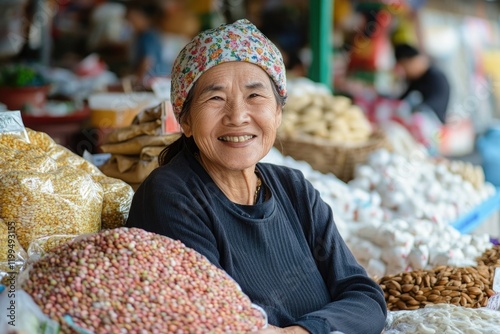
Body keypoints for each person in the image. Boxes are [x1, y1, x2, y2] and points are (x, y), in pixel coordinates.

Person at [126, 19, 387, 334]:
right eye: (215, 98)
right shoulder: (171, 196)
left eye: (254, 96)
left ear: (278, 113)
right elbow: (216, 319)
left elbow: (365, 297)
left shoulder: (294, 189)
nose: (237, 116)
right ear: (185, 120)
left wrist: (304, 331)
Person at [394, 43, 451, 124]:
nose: (405, 73)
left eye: (405, 68)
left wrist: (413, 112)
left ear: (412, 61)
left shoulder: (436, 77)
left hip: (433, 124)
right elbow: (401, 98)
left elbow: (433, 106)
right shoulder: (418, 78)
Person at [124, 0, 167, 86]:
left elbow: (147, 61)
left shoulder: (147, 35)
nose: (131, 24)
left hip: (153, 80)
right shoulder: (146, 35)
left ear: (144, 18)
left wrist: (137, 79)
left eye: (133, 20)